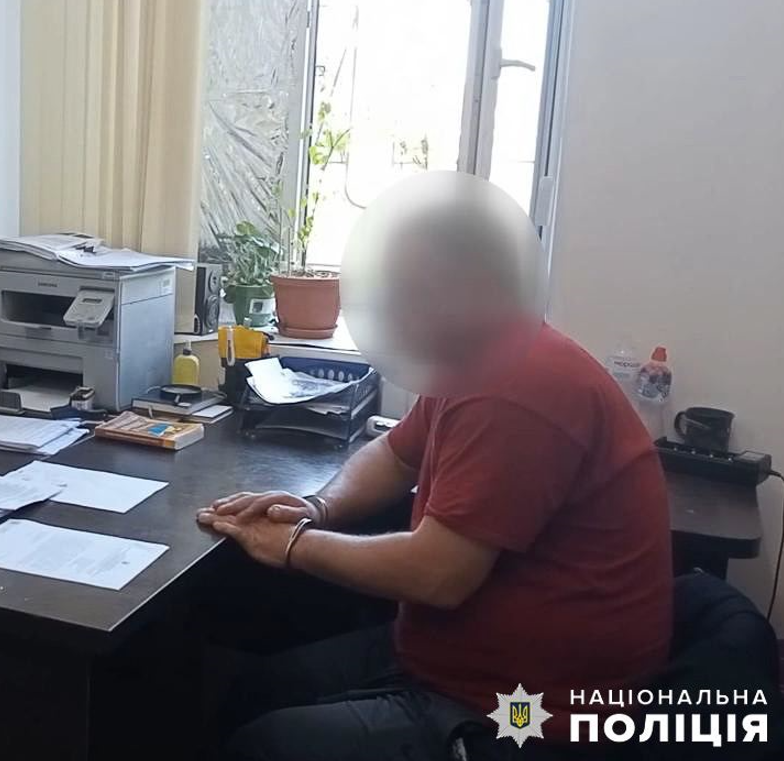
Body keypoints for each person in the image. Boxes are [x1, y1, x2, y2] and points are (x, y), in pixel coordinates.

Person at [198, 180, 672, 760]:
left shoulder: (517, 383)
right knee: (259, 690)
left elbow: (438, 576)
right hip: (454, 662)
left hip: (532, 712)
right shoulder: (476, 357)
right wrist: (319, 507)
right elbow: (396, 453)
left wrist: (296, 545)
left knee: (265, 745)